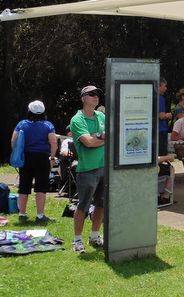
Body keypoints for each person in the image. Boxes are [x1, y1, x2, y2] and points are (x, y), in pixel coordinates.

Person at [69, 85, 106, 253]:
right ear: (83, 98)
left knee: (101, 204)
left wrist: (97, 138)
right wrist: (101, 136)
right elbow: (88, 143)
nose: (95, 96)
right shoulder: (77, 120)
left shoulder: (101, 116)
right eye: (91, 94)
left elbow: (111, 135)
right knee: (83, 206)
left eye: (97, 94)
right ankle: (77, 241)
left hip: (104, 166)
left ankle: (94, 236)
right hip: (87, 169)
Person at [12, 100, 57, 224]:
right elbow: (53, 142)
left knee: (24, 185)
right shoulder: (48, 125)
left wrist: (17, 155)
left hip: (26, 157)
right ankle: (40, 215)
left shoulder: (21, 124)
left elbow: (14, 141)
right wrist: (52, 158)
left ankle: (22, 213)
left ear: (29, 111)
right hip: (42, 157)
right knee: (41, 187)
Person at [158, 78, 173, 157]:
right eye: (164, 86)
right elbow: (161, 116)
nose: (166, 88)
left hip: (153, 130)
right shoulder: (160, 99)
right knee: (162, 152)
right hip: (161, 129)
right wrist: (168, 115)